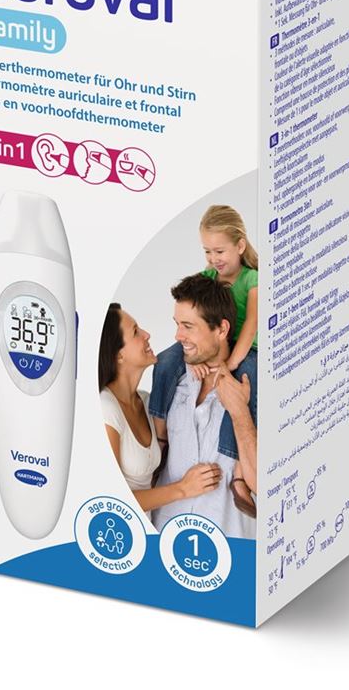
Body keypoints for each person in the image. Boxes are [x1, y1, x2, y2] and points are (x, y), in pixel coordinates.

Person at [149, 204, 259, 514]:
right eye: (207, 252)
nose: (213, 259)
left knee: (248, 384)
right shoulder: (209, 276)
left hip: (246, 348)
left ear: (240, 245)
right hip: (167, 530)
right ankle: (160, 440)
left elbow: (251, 325)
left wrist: (230, 365)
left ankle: (239, 475)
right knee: (165, 360)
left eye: (219, 251)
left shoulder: (252, 280)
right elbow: (192, 297)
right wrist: (194, 358)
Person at [151, 275, 257, 539]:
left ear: (221, 329)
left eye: (188, 326)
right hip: (163, 535)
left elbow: (263, 486)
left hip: (228, 544)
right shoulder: (173, 378)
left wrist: (239, 412)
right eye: (177, 324)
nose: (178, 336)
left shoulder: (252, 388)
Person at [98, 303, 222, 517]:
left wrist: (192, 360)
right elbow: (110, 499)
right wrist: (183, 488)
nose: (146, 334)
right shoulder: (106, 408)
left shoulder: (147, 402)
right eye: (135, 332)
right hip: (117, 529)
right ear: (118, 355)